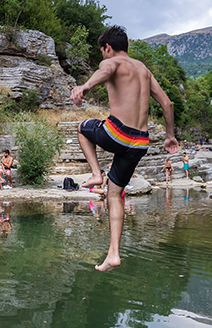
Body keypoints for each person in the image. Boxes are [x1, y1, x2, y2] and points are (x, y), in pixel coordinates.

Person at [70, 25, 178, 272]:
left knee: (82, 127)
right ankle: (113, 254)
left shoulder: (112, 63)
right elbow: (167, 103)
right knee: (114, 193)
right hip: (140, 142)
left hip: (118, 132)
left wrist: (84, 87)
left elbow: (105, 70)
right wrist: (170, 135)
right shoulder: (144, 70)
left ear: (107, 48)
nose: (103, 57)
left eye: (102, 52)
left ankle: (96, 173)